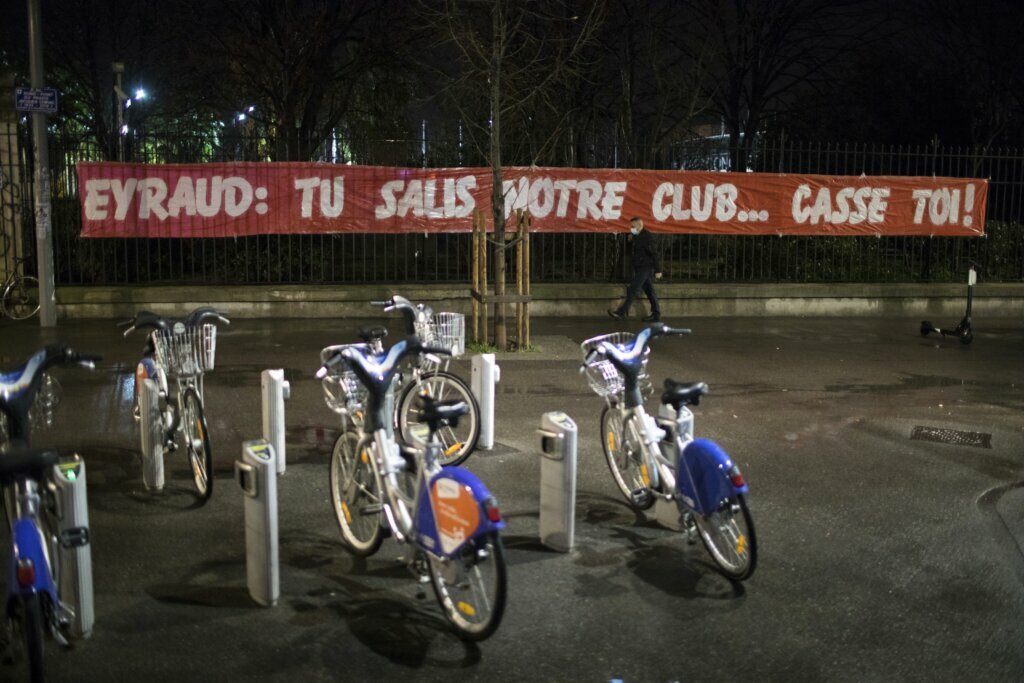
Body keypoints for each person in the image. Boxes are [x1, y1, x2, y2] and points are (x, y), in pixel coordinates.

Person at [609, 217, 662, 322]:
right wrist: (631, 240)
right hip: (640, 267)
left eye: (633, 226)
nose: (631, 228)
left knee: (633, 289)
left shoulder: (647, 237)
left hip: (645, 267)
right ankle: (656, 315)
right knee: (650, 291)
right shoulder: (637, 236)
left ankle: (621, 313)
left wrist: (658, 270)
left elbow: (654, 253)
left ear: (639, 225)